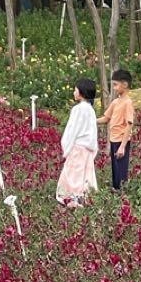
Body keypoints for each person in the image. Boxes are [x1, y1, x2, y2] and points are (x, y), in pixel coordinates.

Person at [55, 77, 99, 207]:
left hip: (78, 147)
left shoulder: (78, 109)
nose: (74, 93)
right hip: (87, 149)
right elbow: (93, 131)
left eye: (75, 90)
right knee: (84, 175)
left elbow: (72, 130)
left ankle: (71, 199)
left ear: (82, 92)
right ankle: (83, 198)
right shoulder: (90, 110)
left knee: (72, 174)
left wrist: (66, 146)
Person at [99, 69, 135, 192]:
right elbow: (106, 118)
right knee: (115, 169)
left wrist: (122, 146)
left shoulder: (128, 103)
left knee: (121, 171)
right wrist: (90, 120)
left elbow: (129, 125)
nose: (114, 88)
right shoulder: (115, 102)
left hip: (121, 141)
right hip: (113, 140)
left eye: (115, 85)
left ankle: (123, 195)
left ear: (124, 85)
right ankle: (116, 191)